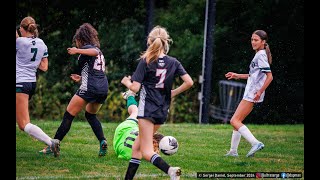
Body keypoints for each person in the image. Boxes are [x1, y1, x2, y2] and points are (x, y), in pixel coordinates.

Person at [121, 25, 194, 180]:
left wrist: (126, 82)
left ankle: (171, 171)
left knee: (147, 151)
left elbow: (135, 87)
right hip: (162, 111)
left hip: (147, 110)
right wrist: (172, 93)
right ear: (166, 42)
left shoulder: (146, 61)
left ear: (149, 41)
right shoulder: (173, 62)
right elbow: (189, 82)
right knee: (137, 148)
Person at [39, 23, 109, 157]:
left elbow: (95, 51)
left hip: (90, 87)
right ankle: (103, 141)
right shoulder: (91, 49)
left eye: (76, 42)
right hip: (103, 87)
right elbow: (94, 70)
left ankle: (53, 145)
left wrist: (77, 51)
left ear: (80, 39)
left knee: (68, 115)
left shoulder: (89, 48)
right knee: (90, 115)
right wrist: (81, 77)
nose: (76, 45)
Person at [224, 30, 273, 157]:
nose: (253, 42)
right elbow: (253, 76)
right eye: (252, 39)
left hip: (252, 93)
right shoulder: (259, 55)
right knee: (238, 121)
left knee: (234, 121)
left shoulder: (261, 55)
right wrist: (237, 76)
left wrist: (259, 92)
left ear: (263, 42)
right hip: (251, 92)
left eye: (256, 40)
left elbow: (270, 77)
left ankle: (255, 143)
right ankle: (233, 151)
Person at [16, 16, 60, 157]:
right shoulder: (42, 43)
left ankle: (51, 143)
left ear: (23, 29)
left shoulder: (20, 42)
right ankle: (50, 142)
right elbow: (44, 67)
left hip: (20, 83)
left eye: (20, 30)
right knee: (23, 123)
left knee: (24, 125)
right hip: (31, 83)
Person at [113, 90, 165, 160]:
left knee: (135, 112)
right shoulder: (141, 154)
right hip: (123, 134)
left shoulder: (136, 152)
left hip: (126, 128)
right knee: (138, 114)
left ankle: (130, 95)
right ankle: (130, 95)